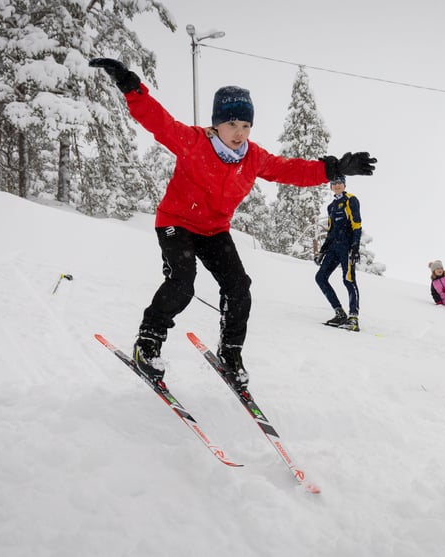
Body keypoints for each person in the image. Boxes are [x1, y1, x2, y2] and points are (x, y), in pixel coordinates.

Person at [90, 58, 377, 388]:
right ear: (216, 125)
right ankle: (148, 345)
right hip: (177, 223)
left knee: (239, 287)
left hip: (213, 230)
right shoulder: (193, 142)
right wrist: (131, 87)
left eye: (245, 126)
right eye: (232, 125)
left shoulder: (253, 158)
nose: (239, 133)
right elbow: (159, 122)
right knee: (183, 282)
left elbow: (291, 170)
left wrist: (333, 169)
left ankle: (230, 354)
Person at [315, 175, 362, 331]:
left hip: (347, 247)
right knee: (320, 277)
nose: (336, 185)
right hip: (334, 247)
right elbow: (331, 231)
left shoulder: (351, 200)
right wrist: (322, 251)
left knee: (348, 280)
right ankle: (339, 313)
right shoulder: (331, 206)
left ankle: (353, 318)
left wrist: (355, 247)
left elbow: (356, 225)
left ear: (344, 184)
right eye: (333, 183)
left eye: (339, 183)